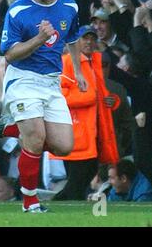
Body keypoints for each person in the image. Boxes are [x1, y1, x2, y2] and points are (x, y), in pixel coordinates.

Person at [0, 0, 87, 212]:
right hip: (22, 79)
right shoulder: (17, 10)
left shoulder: (69, 6)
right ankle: (30, 203)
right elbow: (10, 55)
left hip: (51, 82)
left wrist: (78, 71)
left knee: (64, 146)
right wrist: (40, 38)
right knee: (36, 140)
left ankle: (15, 129)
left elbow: (73, 38)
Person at [51, 25, 119, 200]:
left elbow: (101, 94)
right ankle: (64, 204)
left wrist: (112, 101)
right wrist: (89, 98)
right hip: (75, 132)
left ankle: (61, 202)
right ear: (76, 42)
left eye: (92, 38)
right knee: (79, 177)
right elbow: (57, 96)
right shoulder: (66, 62)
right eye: (85, 38)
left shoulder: (95, 62)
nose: (89, 42)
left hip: (92, 131)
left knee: (86, 174)